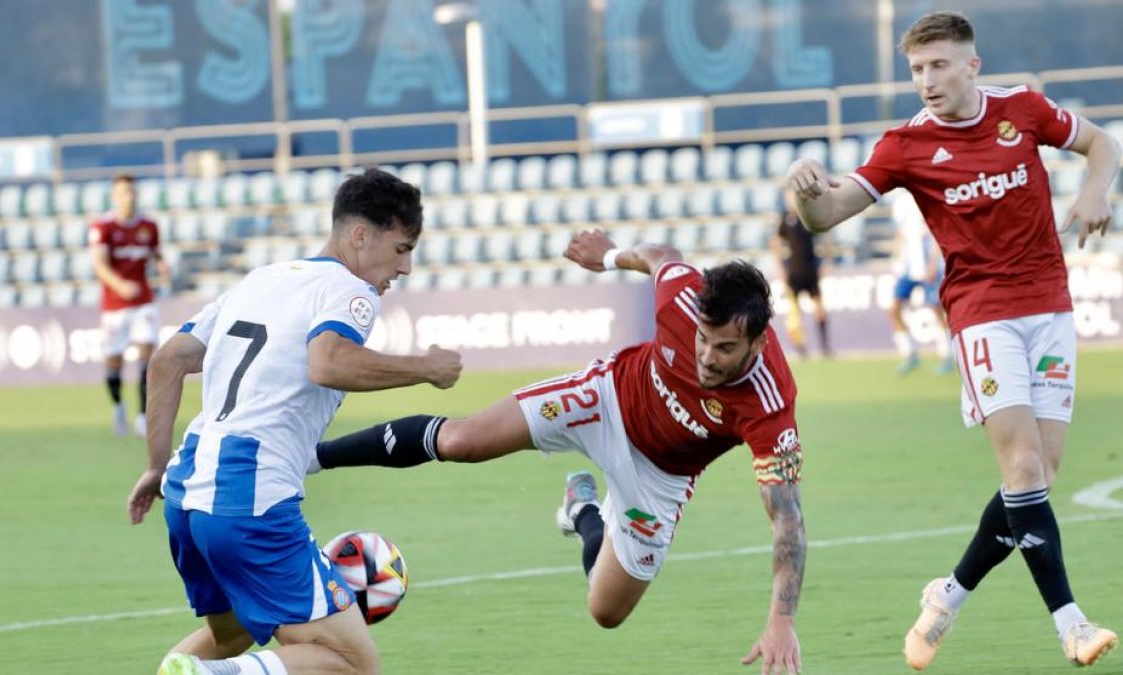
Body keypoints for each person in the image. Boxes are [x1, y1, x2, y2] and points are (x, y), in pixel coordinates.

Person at [786, 10, 1120, 670]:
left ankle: (949, 593)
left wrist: (1093, 193)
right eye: (916, 69)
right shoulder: (904, 146)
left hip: (1049, 308)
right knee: (1023, 469)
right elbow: (826, 215)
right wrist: (804, 192)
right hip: (982, 314)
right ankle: (1071, 623)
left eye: (939, 65)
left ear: (973, 65)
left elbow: (1103, 143)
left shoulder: (1022, 108)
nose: (927, 81)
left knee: (1037, 479)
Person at [316, 230, 808, 675]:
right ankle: (313, 458)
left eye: (724, 348)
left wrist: (781, 621)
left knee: (605, 611)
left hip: (660, 475)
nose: (705, 357)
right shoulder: (682, 296)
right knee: (462, 441)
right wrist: (610, 255)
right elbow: (663, 256)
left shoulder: (769, 406)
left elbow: (787, 521)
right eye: (702, 339)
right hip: (605, 399)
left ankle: (583, 511)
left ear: (758, 341)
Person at [125, 168, 463, 675]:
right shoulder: (352, 292)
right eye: (401, 249)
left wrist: (154, 466)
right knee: (351, 661)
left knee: (232, 631)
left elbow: (167, 360)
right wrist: (426, 369)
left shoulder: (262, 279)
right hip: (249, 497)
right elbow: (327, 362)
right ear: (360, 236)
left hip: (186, 489)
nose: (407, 267)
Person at [89, 174, 171, 437]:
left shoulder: (148, 225)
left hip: (143, 301)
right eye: (124, 192)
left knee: (148, 352)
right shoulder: (103, 227)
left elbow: (155, 250)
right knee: (114, 362)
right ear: (115, 196)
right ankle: (118, 405)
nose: (129, 196)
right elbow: (99, 264)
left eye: (132, 192)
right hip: (114, 305)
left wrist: (161, 263)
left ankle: (142, 415)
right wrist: (120, 285)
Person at [886, 192, 953, 375]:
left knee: (936, 310)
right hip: (909, 267)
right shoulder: (900, 202)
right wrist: (896, 261)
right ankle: (909, 354)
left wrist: (933, 261)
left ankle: (947, 355)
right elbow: (901, 234)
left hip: (928, 266)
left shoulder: (925, 195)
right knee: (893, 309)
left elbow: (937, 232)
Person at [769, 189, 831, 358]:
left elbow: (824, 237)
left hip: (810, 270)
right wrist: (779, 267)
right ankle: (801, 348)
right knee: (794, 314)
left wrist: (825, 261)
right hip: (794, 272)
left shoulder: (807, 217)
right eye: (788, 199)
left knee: (819, 309)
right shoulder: (785, 220)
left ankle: (825, 347)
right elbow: (776, 243)